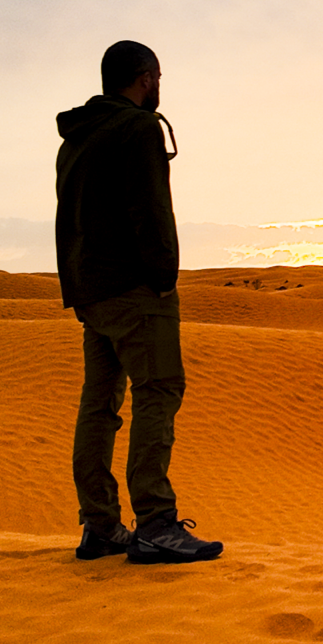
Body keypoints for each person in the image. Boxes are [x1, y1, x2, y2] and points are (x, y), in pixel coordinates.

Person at [55, 39, 222, 565]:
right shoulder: (138, 128)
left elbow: (68, 217)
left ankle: (100, 526)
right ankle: (155, 522)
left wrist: (78, 289)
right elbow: (152, 210)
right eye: (158, 77)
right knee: (159, 391)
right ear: (146, 77)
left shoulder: (76, 139)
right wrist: (163, 276)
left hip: (91, 291)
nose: (159, 86)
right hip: (134, 289)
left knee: (99, 406)